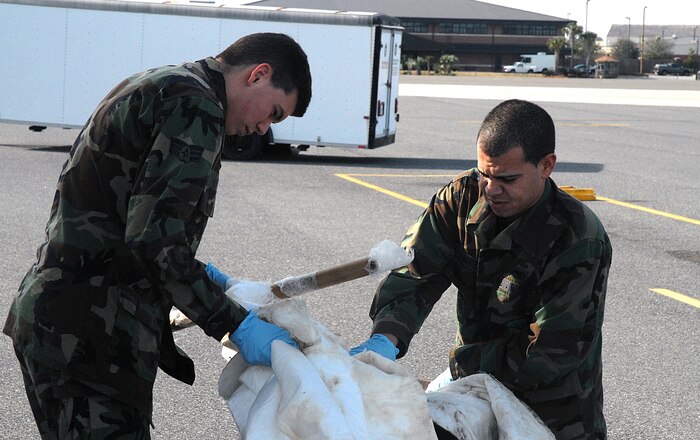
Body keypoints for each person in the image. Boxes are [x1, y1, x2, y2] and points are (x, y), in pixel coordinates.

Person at [4, 32, 311, 439]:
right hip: (89, 338)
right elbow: (155, 243)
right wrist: (236, 324)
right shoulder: (196, 105)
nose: (262, 128)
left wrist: (204, 276)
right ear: (258, 74)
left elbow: (131, 223)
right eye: (273, 112)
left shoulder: (167, 82)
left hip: (69, 324)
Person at [351, 99, 612, 439]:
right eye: (484, 173)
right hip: (474, 395)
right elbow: (416, 272)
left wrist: (465, 365)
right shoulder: (462, 198)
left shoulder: (577, 237)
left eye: (507, 178)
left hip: (553, 413)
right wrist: (386, 337)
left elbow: (550, 350)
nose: (491, 190)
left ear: (547, 165)